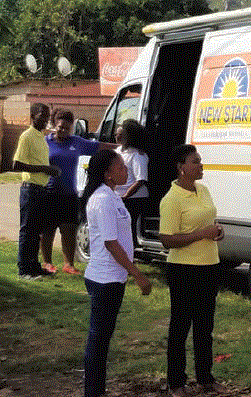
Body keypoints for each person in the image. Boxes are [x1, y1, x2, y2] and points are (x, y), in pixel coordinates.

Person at [81, 148, 151, 397]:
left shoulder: (113, 196)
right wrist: (138, 275)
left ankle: (100, 394)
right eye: (121, 167)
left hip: (113, 278)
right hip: (104, 279)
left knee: (104, 339)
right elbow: (111, 244)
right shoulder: (103, 200)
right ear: (108, 173)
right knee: (97, 340)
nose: (126, 171)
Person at [158, 144, 227, 397]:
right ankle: (176, 382)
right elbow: (167, 239)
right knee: (180, 326)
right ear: (181, 167)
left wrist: (216, 231)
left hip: (209, 265)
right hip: (184, 269)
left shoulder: (203, 190)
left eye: (200, 161)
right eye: (195, 161)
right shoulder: (172, 199)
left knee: (204, 326)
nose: (201, 165)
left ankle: (205, 378)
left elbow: (207, 222)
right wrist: (201, 234)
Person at [42, 109, 115, 274]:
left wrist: (123, 147)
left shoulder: (78, 142)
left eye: (67, 128)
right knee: (48, 229)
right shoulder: (45, 142)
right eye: (60, 127)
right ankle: (47, 263)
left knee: (69, 229)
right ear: (54, 125)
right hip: (49, 192)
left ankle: (68, 264)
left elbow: (101, 147)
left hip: (69, 194)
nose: (63, 130)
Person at [11, 102, 61, 279]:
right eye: (42, 116)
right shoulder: (27, 136)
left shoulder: (41, 136)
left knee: (36, 232)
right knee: (28, 231)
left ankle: (34, 266)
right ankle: (24, 269)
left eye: (48, 117)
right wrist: (45, 169)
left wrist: (49, 169)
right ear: (32, 116)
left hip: (41, 189)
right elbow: (17, 165)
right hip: (30, 188)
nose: (45, 120)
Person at [115, 119, 149, 245]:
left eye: (121, 135)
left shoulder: (138, 155)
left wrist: (126, 195)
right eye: (116, 134)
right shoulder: (117, 152)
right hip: (120, 197)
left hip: (134, 198)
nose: (118, 137)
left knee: (128, 227)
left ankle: (130, 254)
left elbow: (141, 180)